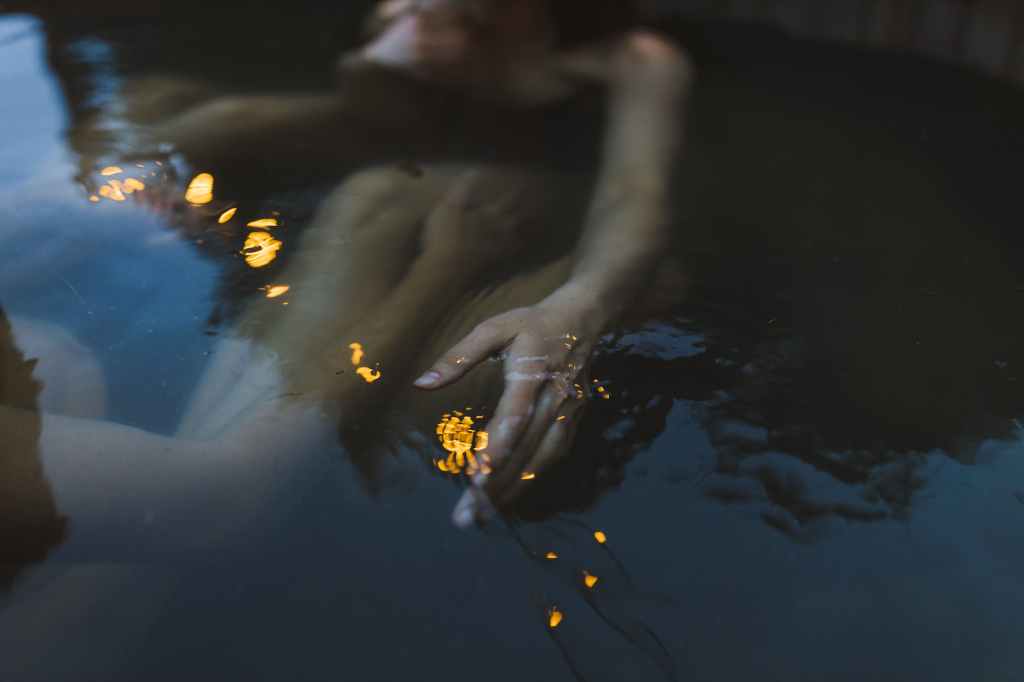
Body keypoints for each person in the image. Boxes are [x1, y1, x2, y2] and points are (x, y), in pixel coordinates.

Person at [3, 0, 693, 552]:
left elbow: (634, 197)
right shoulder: (408, 20)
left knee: (636, 282)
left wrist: (577, 306)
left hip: (506, 212)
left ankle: (287, 451)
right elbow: (341, 124)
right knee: (372, 199)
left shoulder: (632, 61)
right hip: (397, 197)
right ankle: (285, 449)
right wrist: (370, 88)